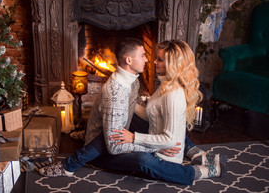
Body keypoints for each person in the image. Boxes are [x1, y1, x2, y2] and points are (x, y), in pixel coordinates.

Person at [39, 39, 226, 185]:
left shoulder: (135, 81)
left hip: (120, 133)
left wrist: (141, 135)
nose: (149, 60)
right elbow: (112, 144)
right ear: (129, 60)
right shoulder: (119, 92)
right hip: (108, 148)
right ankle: (197, 172)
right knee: (144, 159)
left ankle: (195, 153)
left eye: (157, 58)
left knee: (163, 123)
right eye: (144, 55)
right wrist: (155, 146)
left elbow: (135, 113)